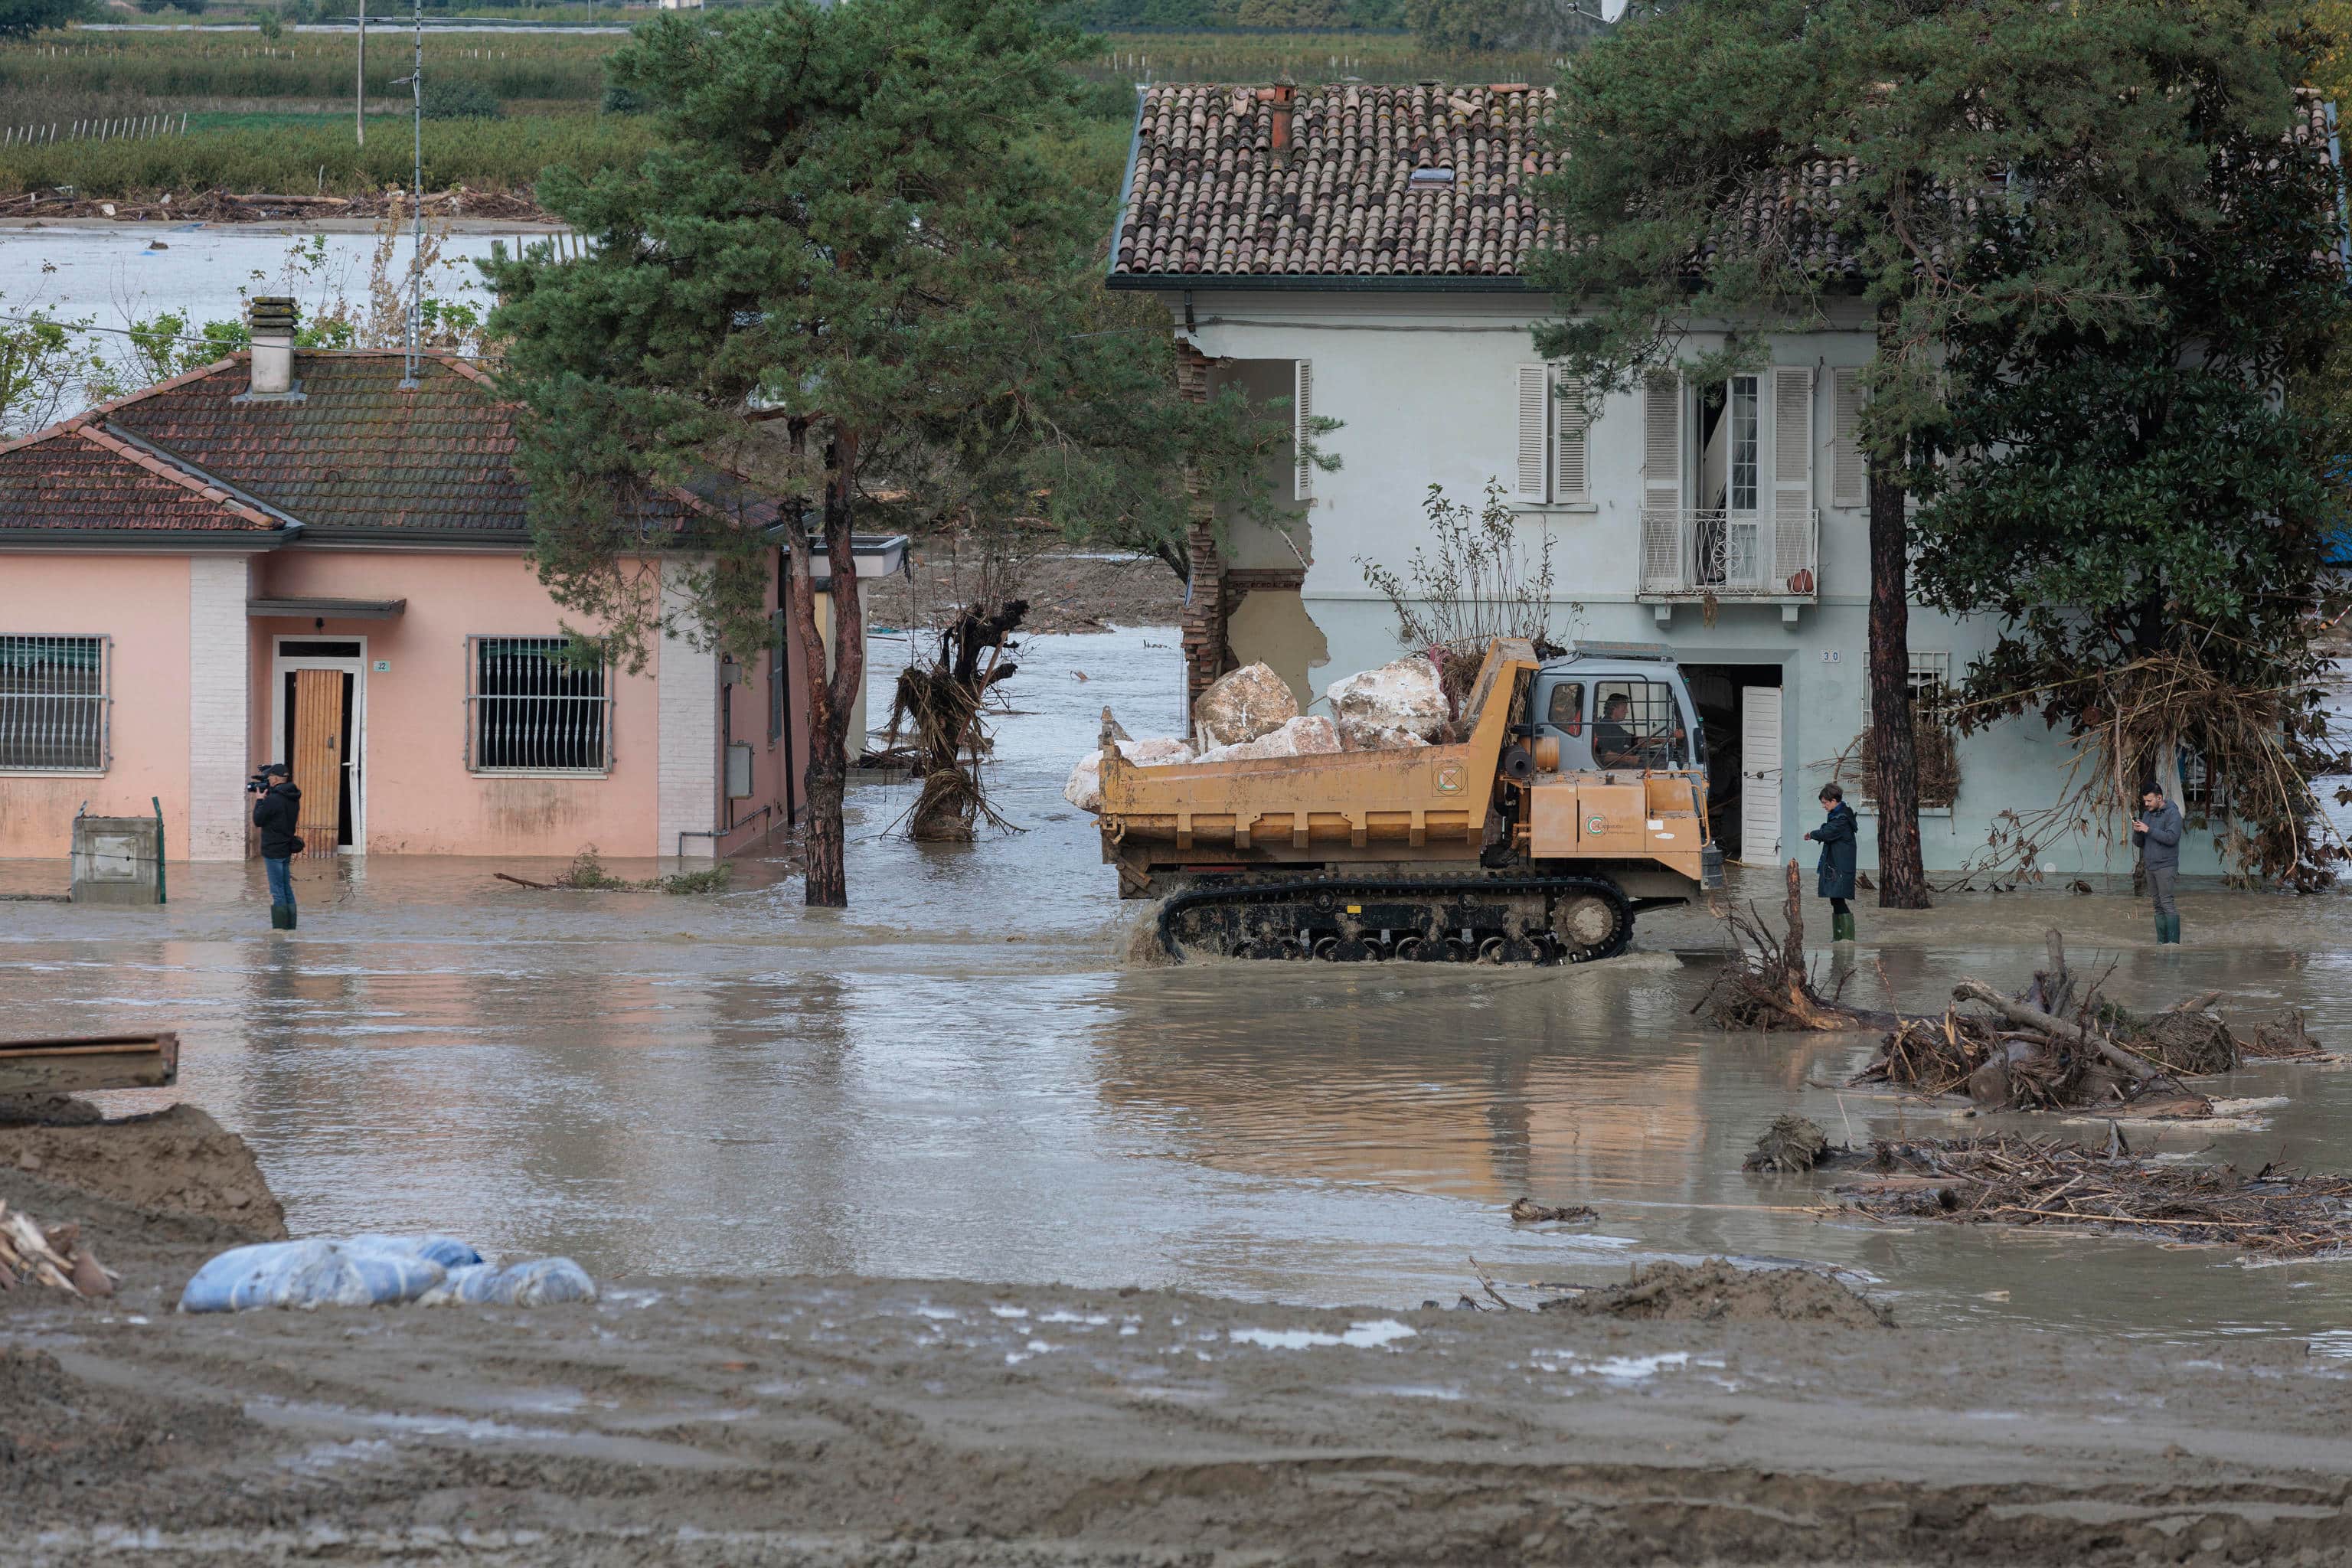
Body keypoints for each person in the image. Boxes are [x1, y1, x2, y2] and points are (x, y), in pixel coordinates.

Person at [251, 763, 303, 930]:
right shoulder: (293, 798)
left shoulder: (273, 800)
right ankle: (291, 928)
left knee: (277, 891)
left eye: (269, 778)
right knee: (287, 888)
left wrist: (260, 801)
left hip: (273, 851)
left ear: (274, 778)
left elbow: (258, 820)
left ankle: (280, 932)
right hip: (286, 848)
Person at [1807, 782, 1858, 942]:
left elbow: (1828, 832)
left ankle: (1847, 939)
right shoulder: (1840, 813)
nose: (1824, 806)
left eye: (1825, 802)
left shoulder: (1841, 818)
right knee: (1834, 898)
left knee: (1837, 898)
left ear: (1835, 800)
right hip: (1837, 864)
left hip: (1841, 866)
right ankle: (1839, 937)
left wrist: (1812, 834)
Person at [2132, 783, 2183, 945]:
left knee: (2167, 902)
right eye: (2145, 801)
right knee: (2157, 904)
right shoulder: (2147, 815)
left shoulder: (2173, 814)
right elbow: (2139, 843)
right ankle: (2161, 943)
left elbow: (2171, 838)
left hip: (2166, 865)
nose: (2146, 804)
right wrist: (2137, 830)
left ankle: (2174, 944)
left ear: (2159, 798)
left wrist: (2148, 830)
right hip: (2150, 865)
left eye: (2149, 801)